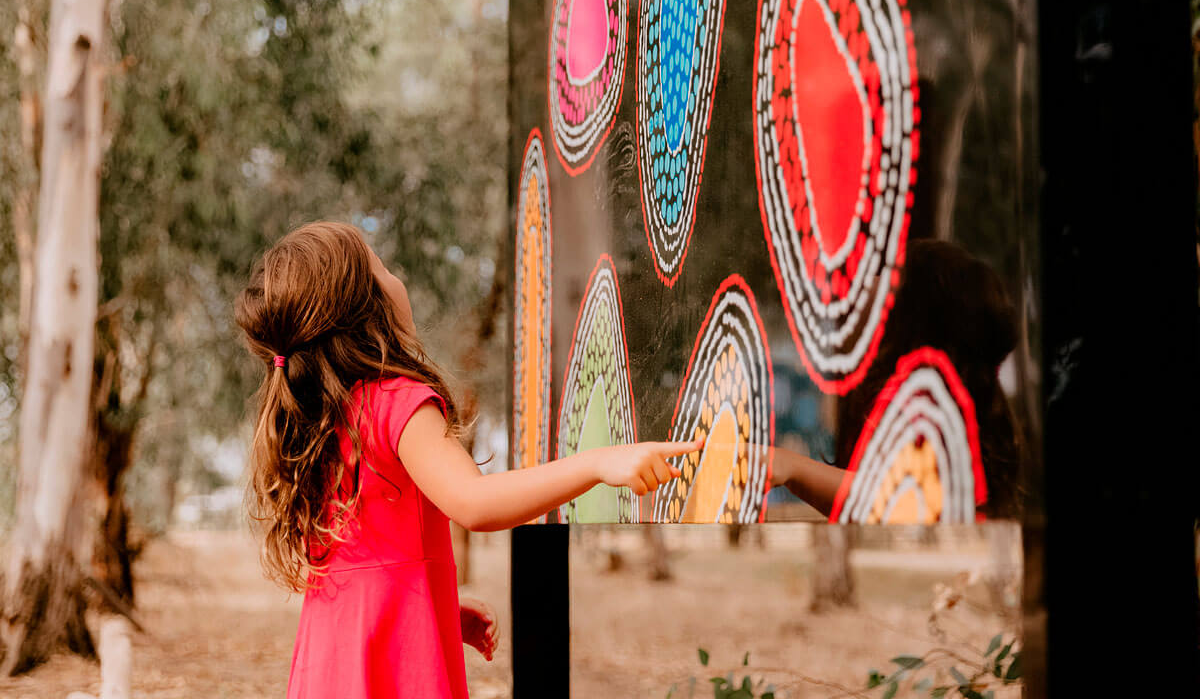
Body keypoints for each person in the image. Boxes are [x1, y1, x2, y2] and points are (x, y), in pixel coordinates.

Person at [235, 221, 701, 699]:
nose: (399, 277)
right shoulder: (397, 402)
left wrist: (437, 608)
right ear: (364, 308)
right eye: (383, 268)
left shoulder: (320, 420)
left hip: (331, 660)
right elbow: (475, 503)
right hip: (392, 667)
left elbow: (364, 561)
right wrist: (598, 463)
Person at [769, 239, 1023, 519]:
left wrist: (789, 467)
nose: (870, 281)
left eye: (891, 273)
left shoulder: (931, 406)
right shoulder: (907, 401)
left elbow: (896, 498)